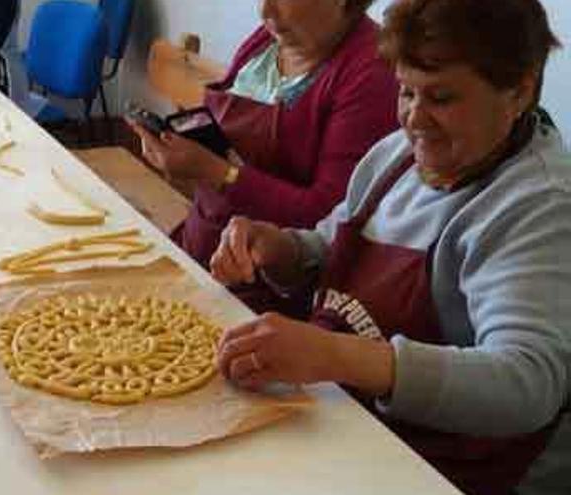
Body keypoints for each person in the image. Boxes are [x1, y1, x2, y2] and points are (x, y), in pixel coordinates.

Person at [210, 0, 569, 494]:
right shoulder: (397, 155)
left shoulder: (538, 207)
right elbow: (327, 244)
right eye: (406, 92)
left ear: (519, 91)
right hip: (350, 428)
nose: (415, 120)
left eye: (442, 98)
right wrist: (281, 248)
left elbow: (527, 383)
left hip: (445, 469)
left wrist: (340, 356)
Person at [127, 0, 398, 315]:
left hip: (266, 293)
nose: (265, 11)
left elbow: (329, 220)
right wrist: (183, 152)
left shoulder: (371, 73)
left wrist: (220, 175)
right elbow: (224, 141)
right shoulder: (268, 39)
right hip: (201, 242)